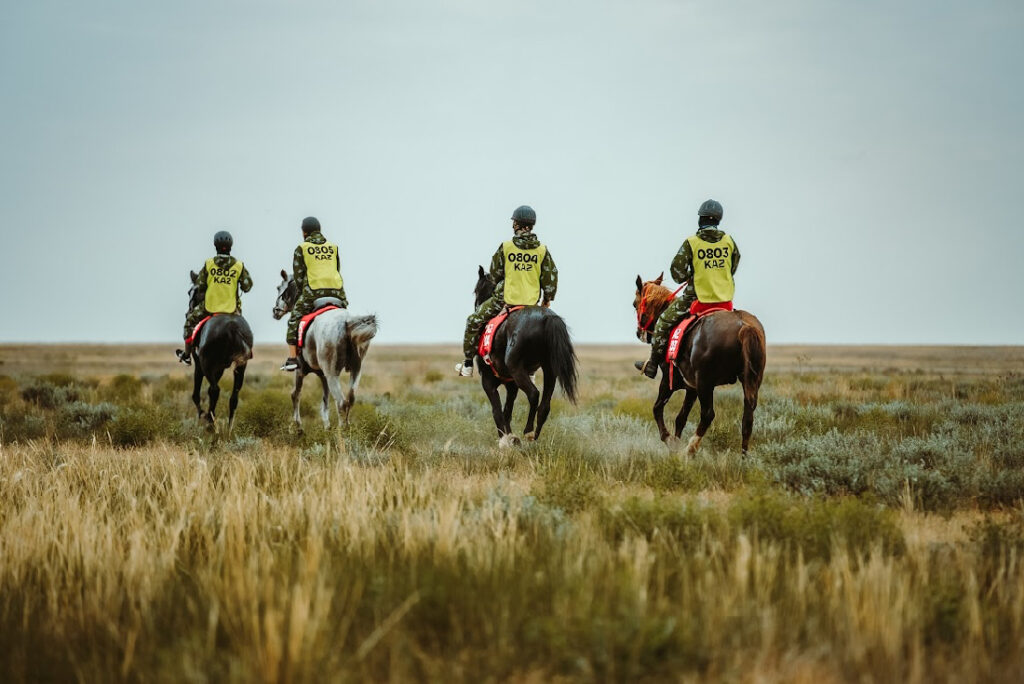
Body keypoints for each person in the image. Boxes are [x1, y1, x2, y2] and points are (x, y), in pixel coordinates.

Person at [635, 199, 741, 378]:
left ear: (700, 220)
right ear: (718, 220)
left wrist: (692, 276)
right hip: (725, 299)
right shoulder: (729, 241)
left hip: (696, 298)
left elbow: (676, 272)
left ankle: (653, 365)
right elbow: (734, 264)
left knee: (663, 323)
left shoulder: (692, 242)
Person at [456, 205, 558, 377]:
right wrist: (547, 299)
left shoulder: (506, 247)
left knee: (473, 320)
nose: (513, 226)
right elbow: (550, 278)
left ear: (517, 224)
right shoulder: (542, 250)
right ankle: (531, 371)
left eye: (514, 223)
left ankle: (467, 364)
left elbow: (494, 275)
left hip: (504, 301)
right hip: (531, 304)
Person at [281, 216, 348, 371]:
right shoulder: (333, 247)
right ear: (319, 230)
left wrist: (302, 290)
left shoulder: (302, 248)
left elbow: (298, 278)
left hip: (313, 293)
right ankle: (350, 356)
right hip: (338, 293)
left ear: (304, 232)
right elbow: (337, 269)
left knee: (293, 320)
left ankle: (292, 360)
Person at [176, 230, 253, 364]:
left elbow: (200, 285)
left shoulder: (209, 264)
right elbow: (248, 286)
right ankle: (247, 350)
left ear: (215, 246)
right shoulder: (239, 266)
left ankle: (187, 354)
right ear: (231, 246)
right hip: (232, 309)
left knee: (189, 323)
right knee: (243, 329)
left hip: (209, 307)